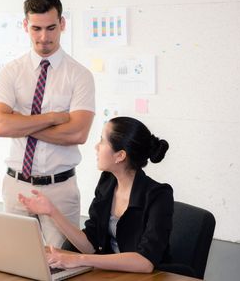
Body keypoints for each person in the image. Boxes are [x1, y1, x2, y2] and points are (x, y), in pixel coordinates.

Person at [0, 0, 96, 247]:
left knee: (62, 266)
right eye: (36, 28)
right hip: (16, 186)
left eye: (51, 28)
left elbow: (76, 134)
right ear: (25, 26)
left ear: (62, 24)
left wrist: (21, 122)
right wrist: (52, 118)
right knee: (15, 262)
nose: (44, 37)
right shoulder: (11, 72)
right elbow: (1, 126)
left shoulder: (80, 75)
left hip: (60, 188)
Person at [18, 116, 173, 273]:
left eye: (102, 141)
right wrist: (52, 212)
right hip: (112, 275)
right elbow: (90, 246)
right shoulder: (108, 183)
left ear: (120, 156)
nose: (96, 147)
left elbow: (145, 262)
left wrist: (78, 260)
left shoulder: (159, 195)